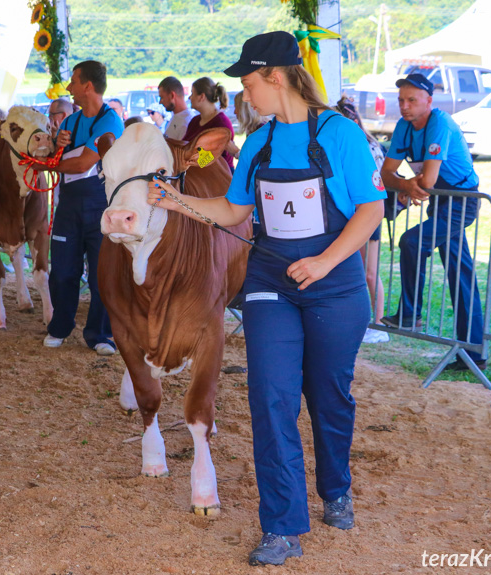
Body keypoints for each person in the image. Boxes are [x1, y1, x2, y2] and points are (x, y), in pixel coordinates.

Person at [148, 31, 385, 567]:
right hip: (271, 281)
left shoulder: (340, 134)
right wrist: (177, 201)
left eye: (250, 82)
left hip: (335, 283)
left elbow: (369, 211)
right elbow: (235, 212)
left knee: (328, 396)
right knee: (270, 398)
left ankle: (337, 487)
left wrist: (325, 261)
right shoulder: (257, 143)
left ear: (276, 77)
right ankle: (280, 526)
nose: (246, 94)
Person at [380, 73, 486, 371]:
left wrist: (406, 184)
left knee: (412, 241)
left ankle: (410, 313)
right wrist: (405, 186)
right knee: (460, 272)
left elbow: (427, 180)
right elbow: (386, 174)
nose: (404, 106)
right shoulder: (404, 126)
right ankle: (474, 353)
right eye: (401, 100)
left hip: (462, 199)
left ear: (429, 100)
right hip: (440, 199)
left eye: (411, 100)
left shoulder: (439, 122)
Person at [44, 60, 124, 356]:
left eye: (74, 82)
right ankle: (59, 327)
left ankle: (100, 334)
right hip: (68, 207)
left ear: (87, 86)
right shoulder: (69, 121)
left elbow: (83, 163)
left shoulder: (110, 121)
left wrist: (46, 164)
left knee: (101, 275)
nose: (69, 88)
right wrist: (57, 145)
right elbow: (59, 157)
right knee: (62, 272)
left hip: (101, 207)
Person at [336, 96, 389, 344]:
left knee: (368, 271)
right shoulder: (366, 143)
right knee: (360, 270)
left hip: (367, 213)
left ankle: (378, 324)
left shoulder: (364, 145)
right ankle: (366, 322)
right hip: (360, 213)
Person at [182, 76, 235, 173]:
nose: (189, 98)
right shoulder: (195, 121)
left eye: (192, 93)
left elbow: (215, 158)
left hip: (218, 178)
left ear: (202, 97)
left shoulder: (221, 123)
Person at [227, 91, 266, 160]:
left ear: (245, 110)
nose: (234, 112)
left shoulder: (261, 131)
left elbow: (257, 161)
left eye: (236, 107)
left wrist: (236, 152)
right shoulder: (253, 129)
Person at [158, 76, 196, 140]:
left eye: (162, 97)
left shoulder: (187, 123)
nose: (160, 102)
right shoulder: (176, 116)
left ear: (172, 95)